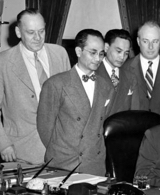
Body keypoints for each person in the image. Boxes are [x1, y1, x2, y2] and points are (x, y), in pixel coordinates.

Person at [37, 29, 114, 176]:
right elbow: (45, 127)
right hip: (63, 163)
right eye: (92, 52)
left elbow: (102, 123)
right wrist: (62, 150)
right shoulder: (56, 84)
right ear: (78, 51)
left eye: (101, 53)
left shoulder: (106, 85)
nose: (98, 58)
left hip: (94, 163)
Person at [0, 9, 70, 164]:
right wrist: (3, 145)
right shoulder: (3, 62)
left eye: (41, 31)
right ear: (18, 32)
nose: (38, 38)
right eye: (31, 32)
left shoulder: (60, 54)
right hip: (21, 151)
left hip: (60, 149)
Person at [122, 21, 160, 117]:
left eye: (155, 41)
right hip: (134, 128)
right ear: (138, 41)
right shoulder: (124, 68)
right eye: (145, 41)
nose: (150, 47)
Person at [96, 29, 140, 117]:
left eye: (126, 53)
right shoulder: (92, 73)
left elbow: (135, 112)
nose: (122, 57)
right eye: (118, 51)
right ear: (106, 47)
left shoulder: (131, 77)